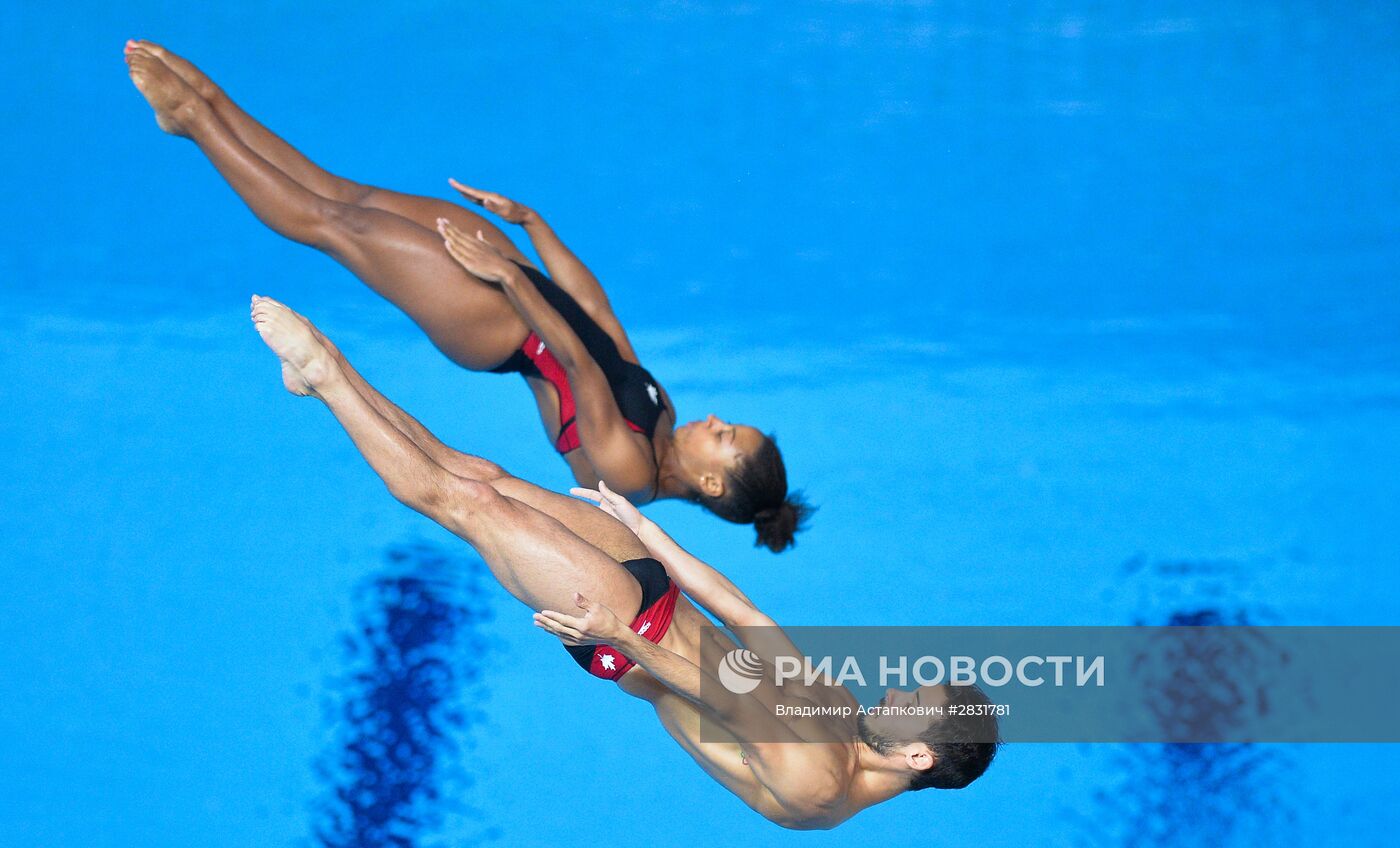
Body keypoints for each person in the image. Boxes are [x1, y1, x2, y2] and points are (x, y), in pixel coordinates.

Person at [247, 294, 997, 828]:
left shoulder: (818, 789)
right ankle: (321, 387)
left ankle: (329, 368)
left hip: (631, 638)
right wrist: (653, 536)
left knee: (463, 506)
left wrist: (622, 633)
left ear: (920, 758)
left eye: (909, 705)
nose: (893, 692)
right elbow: (745, 616)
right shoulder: (837, 708)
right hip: (654, 590)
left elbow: (720, 701)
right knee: (484, 477)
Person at [124, 40, 812, 550]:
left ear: (712, 485)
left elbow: (574, 364)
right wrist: (532, 226)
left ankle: (192, 119)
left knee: (330, 226)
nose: (717, 418)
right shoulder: (664, 415)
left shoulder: (630, 475)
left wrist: (507, 276)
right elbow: (599, 319)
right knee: (347, 194)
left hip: (494, 324)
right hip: (516, 282)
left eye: (725, 437)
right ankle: (212, 105)